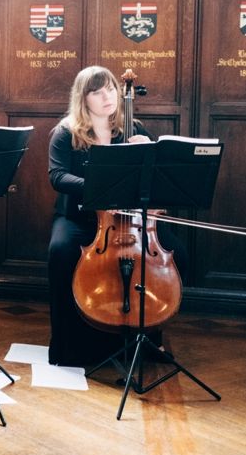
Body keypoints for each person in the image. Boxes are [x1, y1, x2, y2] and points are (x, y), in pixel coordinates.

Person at [47, 65, 188, 367]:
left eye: (110, 89)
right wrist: (100, 191)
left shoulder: (133, 129)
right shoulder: (66, 132)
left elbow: (156, 177)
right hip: (80, 217)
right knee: (60, 252)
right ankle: (68, 345)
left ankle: (148, 337)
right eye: (97, 92)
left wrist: (149, 153)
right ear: (83, 99)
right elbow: (57, 176)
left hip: (133, 221)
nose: (107, 96)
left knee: (180, 254)